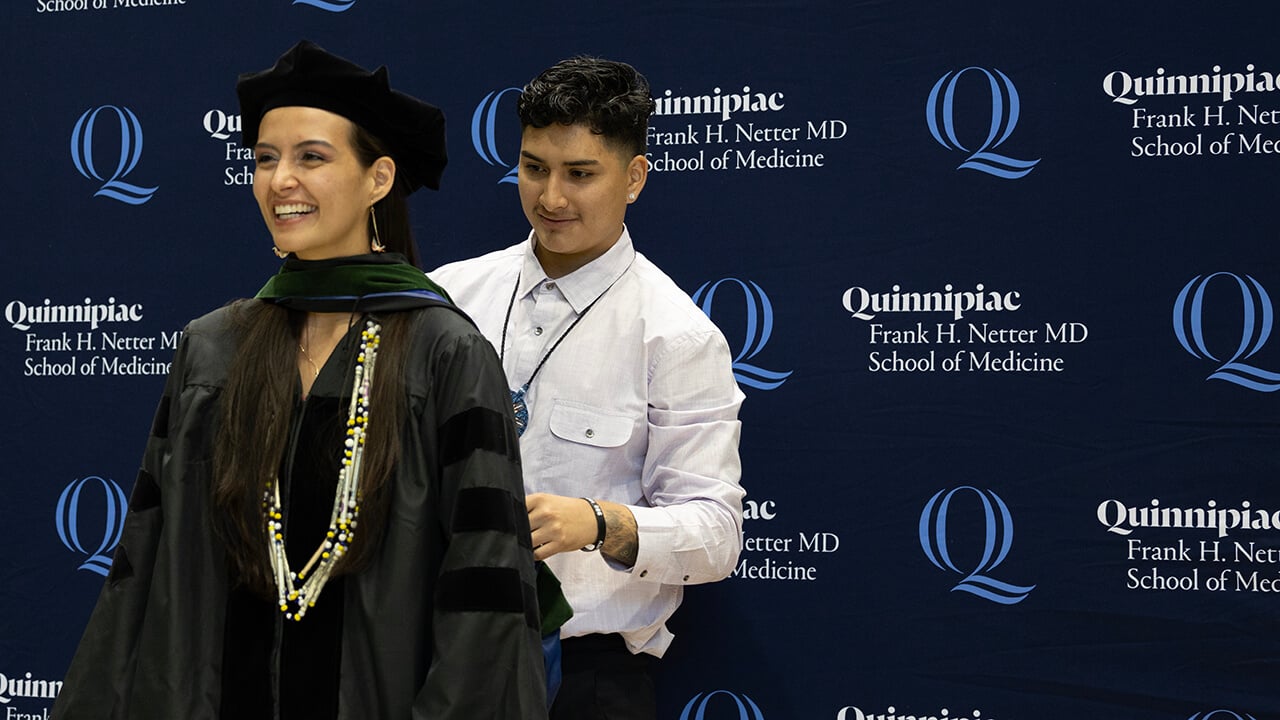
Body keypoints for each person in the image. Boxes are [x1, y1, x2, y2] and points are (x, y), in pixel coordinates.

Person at [53, 41, 547, 719]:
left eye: (311, 157)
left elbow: (485, 599)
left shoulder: (443, 353)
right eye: (264, 159)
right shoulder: (213, 349)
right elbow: (144, 576)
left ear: (378, 178)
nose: (280, 179)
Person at [430, 56, 745, 719]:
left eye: (580, 174)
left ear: (634, 178)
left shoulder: (676, 334)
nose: (550, 198)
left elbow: (717, 534)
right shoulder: (448, 296)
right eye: (534, 167)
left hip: (587, 677)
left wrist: (600, 524)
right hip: (436, 655)